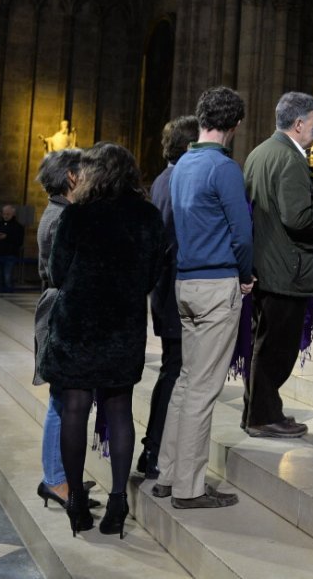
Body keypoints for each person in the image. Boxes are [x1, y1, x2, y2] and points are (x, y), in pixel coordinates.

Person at [38, 143, 164, 537]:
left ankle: (75, 499)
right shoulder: (148, 216)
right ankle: (117, 502)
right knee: (119, 410)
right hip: (123, 325)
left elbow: (57, 274)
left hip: (78, 325)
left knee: (74, 408)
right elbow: (152, 276)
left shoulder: (77, 215)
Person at [154, 87, 252, 509]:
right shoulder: (223, 167)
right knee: (203, 390)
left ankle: (168, 473)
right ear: (234, 126)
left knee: (185, 382)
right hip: (216, 284)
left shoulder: (181, 165)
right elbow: (242, 233)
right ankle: (188, 489)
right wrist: (246, 276)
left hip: (184, 282)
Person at [242, 91, 313, 438]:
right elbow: (298, 218)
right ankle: (262, 416)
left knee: (266, 343)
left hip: (266, 262)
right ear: (299, 123)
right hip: (286, 267)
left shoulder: (260, 152)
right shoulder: (290, 159)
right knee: (277, 348)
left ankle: (262, 411)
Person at [32, 148, 96, 513]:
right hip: (60, 312)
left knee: (66, 397)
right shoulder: (61, 217)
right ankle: (55, 479)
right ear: (72, 176)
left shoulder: (65, 213)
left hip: (62, 310)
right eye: (85, 171)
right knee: (61, 400)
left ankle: (61, 474)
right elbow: (66, 272)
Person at [136, 115, 199, 480]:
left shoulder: (164, 177)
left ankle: (157, 447)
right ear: (191, 147)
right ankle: (155, 449)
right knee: (174, 371)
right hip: (175, 287)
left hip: (166, 289)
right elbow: (178, 241)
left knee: (173, 370)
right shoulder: (179, 180)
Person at [0, 204, 24, 292]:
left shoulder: (18, 227)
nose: (6, 216)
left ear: (13, 214)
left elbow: (19, 241)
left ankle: (9, 297)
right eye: (4, 214)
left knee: (8, 277)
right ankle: (0, 297)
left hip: (10, 255)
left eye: (8, 214)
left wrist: (6, 237)